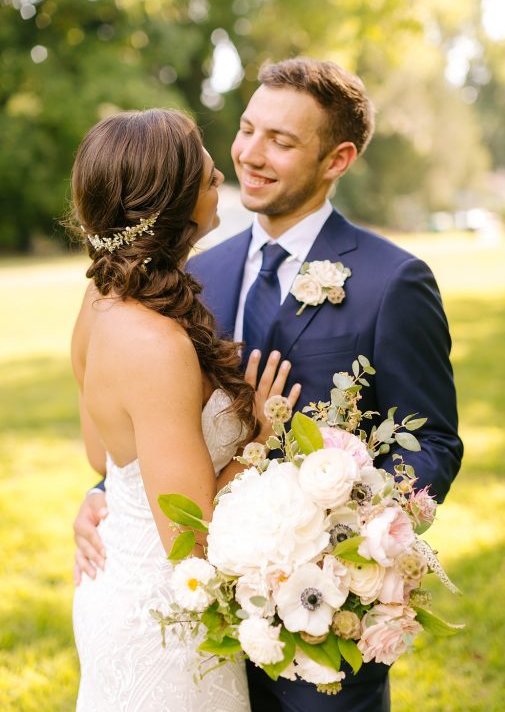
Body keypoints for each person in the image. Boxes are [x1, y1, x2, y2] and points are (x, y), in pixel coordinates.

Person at [72, 59, 463, 712]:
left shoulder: (393, 283)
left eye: (280, 141)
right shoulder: (189, 271)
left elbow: (433, 443)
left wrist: (349, 544)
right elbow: (147, 419)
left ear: (337, 159)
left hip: (319, 628)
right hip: (194, 617)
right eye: (247, 129)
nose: (249, 155)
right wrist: (107, 496)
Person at [70, 109, 298, 710]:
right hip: (164, 626)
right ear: (170, 201)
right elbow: (191, 540)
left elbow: (107, 454)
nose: (218, 168)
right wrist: (263, 435)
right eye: (203, 165)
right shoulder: (157, 344)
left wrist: (99, 503)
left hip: (116, 583)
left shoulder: (98, 297)